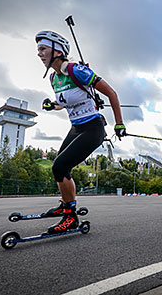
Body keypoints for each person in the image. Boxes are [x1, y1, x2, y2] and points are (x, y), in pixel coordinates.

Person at [35, 30, 126, 233]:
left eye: (43, 49)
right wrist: (53, 105)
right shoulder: (54, 78)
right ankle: (67, 206)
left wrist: (119, 123)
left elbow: (111, 93)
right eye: (38, 50)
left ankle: (70, 218)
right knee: (61, 168)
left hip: (93, 129)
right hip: (76, 128)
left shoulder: (77, 71)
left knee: (59, 166)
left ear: (57, 51)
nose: (39, 54)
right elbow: (65, 102)